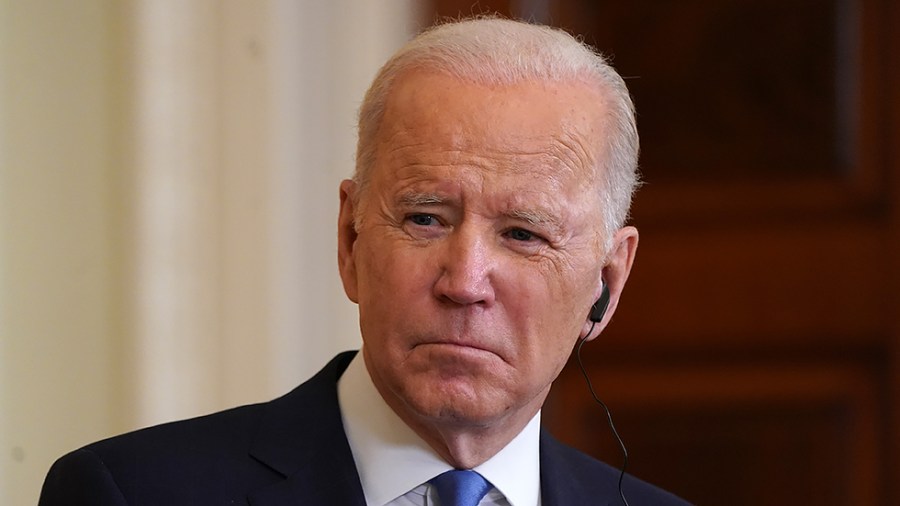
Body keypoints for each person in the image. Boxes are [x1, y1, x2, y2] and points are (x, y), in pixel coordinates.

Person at [39, 17, 690, 506]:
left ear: (607, 282)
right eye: (425, 218)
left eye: (522, 234)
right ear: (350, 240)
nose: (464, 283)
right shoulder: (132, 494)